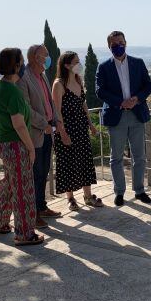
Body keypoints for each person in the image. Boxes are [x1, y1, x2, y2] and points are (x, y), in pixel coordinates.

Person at [0, 47, 44, 246]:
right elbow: (19, 124)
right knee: (23, 189)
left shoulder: (0, 86)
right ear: (16, 65)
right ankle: (25, 233)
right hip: (15, 145)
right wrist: (30, 148)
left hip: (4, 143)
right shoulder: (13, 91)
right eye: (21, 62)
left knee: (9, 185)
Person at [96, 31, 151, 206]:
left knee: (139, 156)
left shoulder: (138, 63)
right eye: (114, 44)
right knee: (116, 157)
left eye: (120, 42)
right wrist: (121, 102)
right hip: (116, 115)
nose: (118, 46)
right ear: (109, 46)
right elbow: (100, 91)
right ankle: (119, 192)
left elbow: (148, 85)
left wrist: (136, 99)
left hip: (136, 114)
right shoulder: (103, 67)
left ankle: (139, 190)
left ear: (126, 43)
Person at [16, 44, 62, 228]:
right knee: (34, 175)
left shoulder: (42, 75)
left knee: (43, 172)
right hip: (35, 134)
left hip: (48, 132)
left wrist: (56, 121)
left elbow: (49, 102)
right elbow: (26, 109)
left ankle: (42, 207)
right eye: (46, 55)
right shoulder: (24, 78)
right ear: (36, 57)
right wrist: (44, 124)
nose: (49, 58)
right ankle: (33, 214)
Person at [52, 51, 103, 210]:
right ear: (67, 65)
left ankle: (88, 196)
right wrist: (62, 132)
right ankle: (70, 198)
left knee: (85, 161)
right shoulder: (58, 84)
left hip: (81, 128)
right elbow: (57, 111)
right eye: (76, 61)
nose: (79, 64)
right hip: (67, 129)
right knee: (68, 163)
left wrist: (91, 124)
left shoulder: (78, 81)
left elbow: (83, 104)